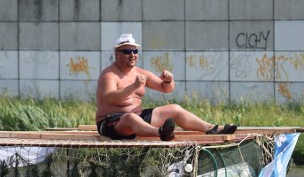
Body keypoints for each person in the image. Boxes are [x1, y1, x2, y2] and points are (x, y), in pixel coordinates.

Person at [95, 33, 237, 141]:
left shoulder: (140, 73)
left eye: (135, 51)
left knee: (174, 109)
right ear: (117, 54)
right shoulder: (109, 75)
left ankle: (211, 128)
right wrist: (133, 87)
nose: (132, 55)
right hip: (111, 123)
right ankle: (161, 133)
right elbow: (110, 98)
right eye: (127, 51)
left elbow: (166, 89)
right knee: (130, 118)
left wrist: (168, 80)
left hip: (138, 119)